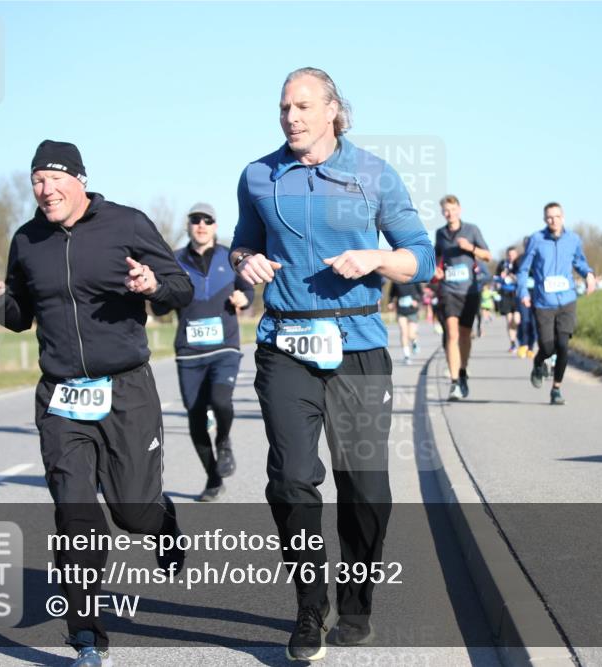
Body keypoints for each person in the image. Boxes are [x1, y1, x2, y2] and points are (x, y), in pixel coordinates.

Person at [230, 67, 435, 662]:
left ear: (332, 112)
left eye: (301, 107)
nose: (291, 117)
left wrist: (376, 256)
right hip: (285, 343)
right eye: (283, 109)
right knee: (292, 480)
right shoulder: (258, 176)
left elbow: (419, 256)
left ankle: (358, 600)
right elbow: (243, 242)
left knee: (366, 489)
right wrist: (246, 261)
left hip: (360, 344)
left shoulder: (372, 174)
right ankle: (308, 608)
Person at [0, 140, 194, 667]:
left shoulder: (128, 224)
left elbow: (182, 289)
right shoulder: (27, 240)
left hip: (126, 390)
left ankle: (161, 520)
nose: (45, 191)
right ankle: (87, 637)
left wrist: (153, 284)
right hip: (61, 397)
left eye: (53, 179)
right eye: (36, 182)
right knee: (75, 518)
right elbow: (20, 314)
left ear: (79, 179)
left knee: (132, 512)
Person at [151, 202, 254, 502]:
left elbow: (248, 290)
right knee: (195, 418)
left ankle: (224, 441)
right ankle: (213, 479)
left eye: (207, 220)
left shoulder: (229, 257)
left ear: (215, 226)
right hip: (189, 352)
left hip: (225, 347)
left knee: (221, 400)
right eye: (195, 219)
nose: (201, 224)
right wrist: (154, 293)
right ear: (188, 226)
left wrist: (243, 299)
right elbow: (160, 303)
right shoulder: (174, 261)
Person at [517, 202, 596, 405]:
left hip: (567, 300)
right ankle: (538, 362)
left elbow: (579, 261)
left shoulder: (573, 239)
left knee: (562, 345)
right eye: (549, 217)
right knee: (547, 346)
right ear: (545, 219)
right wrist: (523, 291)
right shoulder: (536, 239)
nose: (553, 220)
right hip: (544, 302)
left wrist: (589, 275)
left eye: (557, 216)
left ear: (563, 217)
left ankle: (556, 389)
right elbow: (524, 269)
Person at [433, 194, 491, 400]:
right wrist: (436, 271)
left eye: (453, 209)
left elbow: (488, 255)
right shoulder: (440, 234)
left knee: (465, 335)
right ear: (442, 213)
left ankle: (463, 371)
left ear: (460, 209)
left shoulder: (472, 230)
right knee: (452, 334)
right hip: (449, 290)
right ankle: (454, 382)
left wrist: (471, 248)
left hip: (469, 291)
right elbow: (436, 258)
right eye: (446, 210)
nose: (450, 213)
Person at [387, 279, 423, 364]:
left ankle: (414, 341)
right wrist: (390, 302)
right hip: (401, 311)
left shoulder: (414, 279)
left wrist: (417, 301)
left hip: (412, 310)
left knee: (411, 334)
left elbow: (421, 293)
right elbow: (391, 294)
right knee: (403, 332)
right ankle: (406, 355)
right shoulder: (395, 280)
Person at [515, 237, 538, 358]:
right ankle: (523, 343)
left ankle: (531, 346)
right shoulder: (519, 259)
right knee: (525, 320)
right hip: (524, 293)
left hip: (537, 292)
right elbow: (515, 274)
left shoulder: (539, 258)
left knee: (534, 322)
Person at [495, 246, 521, 352]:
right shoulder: (502, 264)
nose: (511, 257)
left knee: (516, 319)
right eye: (509, 255)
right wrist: (500, 278)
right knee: (509, 320)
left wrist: (513, 276)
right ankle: (513, 343)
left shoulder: (520, 264)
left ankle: (521, 337)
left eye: (513, 255)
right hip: (505, 294)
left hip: (517, 293)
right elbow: (495, 278)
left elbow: (523, 277)